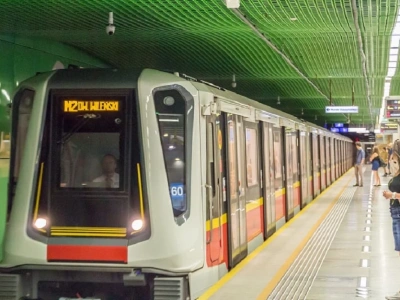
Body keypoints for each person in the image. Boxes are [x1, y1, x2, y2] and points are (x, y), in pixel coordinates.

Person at [382, 151, 400, 299]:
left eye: (395, 161)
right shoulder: (396, 175)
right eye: (390, 161)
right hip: (396, 214)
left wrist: (392, 195)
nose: (392, 163)